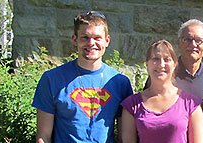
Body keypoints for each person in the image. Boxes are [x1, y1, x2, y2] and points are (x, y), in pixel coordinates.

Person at [32, 11, 133, 143]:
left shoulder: (120, 83)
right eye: (85, 37)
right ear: (75, 39)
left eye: (97, 38)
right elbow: (43, 137)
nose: (91, 43)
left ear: (107, 41)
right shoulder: (52, 79)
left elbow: (124, 138)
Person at [120, 39, 203, 143]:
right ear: (147, 64)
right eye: (155, 59)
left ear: (175, 64)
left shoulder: (191, 104)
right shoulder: (132, 105)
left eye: (167, 59)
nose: (161, 64)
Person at [144, 19, 203, 99]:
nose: (193, 45)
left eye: (199, 40)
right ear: (179, 43)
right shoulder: (162, 74)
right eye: (187, 39)